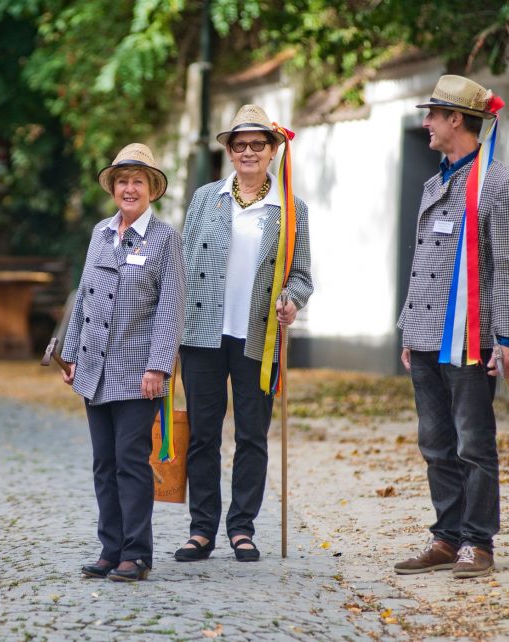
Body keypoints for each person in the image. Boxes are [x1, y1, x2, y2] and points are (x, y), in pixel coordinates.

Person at [394, 75, 509, 579]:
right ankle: (446, 537)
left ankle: (479, 542)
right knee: (434, 441)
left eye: (433, 114)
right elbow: (422, 262)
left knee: (473, 442)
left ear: (457, 119)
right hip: (426, 336)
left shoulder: (500, 185)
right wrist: (409, 326)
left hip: (473, 338)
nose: (425, 122)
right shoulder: (435, 183)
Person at [176, 104, 312, 563]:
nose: (249, 152)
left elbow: (302, 275)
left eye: (258, 144)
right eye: (240, 145)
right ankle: (201, 530)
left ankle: (242, 528)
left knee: (252, 434)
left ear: (273, 150)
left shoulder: (291, 210)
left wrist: (291, 300)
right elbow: (183, 261)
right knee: (203, 436)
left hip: (258, 337)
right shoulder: (204, 199)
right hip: (202, 334)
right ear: (230, 152)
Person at [61, 143, 186, 582]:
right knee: (103, 463)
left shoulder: (166, 238)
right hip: (94, 368)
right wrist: (70, 352)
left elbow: (171, 308)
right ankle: (109, 549)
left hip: (138, 373)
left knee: (130, 461)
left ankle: (137, 553)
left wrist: (159, 367)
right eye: (122, 181)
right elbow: (82, 299)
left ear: (152, 188)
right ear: (112, 187)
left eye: (138, 181)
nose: (129, 188)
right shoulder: (99, 232)